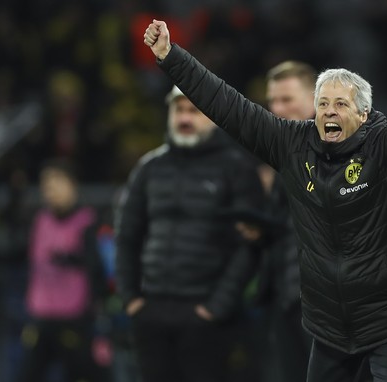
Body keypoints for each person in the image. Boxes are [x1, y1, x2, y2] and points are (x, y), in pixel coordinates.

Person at [144, 19, 387, 382]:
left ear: (363, 114)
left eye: (340, 104)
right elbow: (227, 105)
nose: (329, 111)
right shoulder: (291, 145)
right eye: (322, 103)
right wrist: (169, 55)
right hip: (329, 326)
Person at [114, 85, 265, 382]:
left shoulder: (236, 169)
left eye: (194, 111)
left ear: (212, 116)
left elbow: (249, 245)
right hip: (152, 309)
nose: (185, 118)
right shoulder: (149, 168)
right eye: (179, 110)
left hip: (206, 315)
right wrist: (131, 298)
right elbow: (127, 236)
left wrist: (216, 307)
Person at [17, 159, 110, 382]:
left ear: (72, 185)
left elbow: (99, 267)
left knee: (81, 374)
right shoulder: (39, 220)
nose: (52, 191)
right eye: (47, 185)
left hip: (74, 317)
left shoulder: (89, 221)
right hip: (40, 316)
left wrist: (72, 259)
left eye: (58, 183)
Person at [253, 60, 316, 382]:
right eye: (272, 101)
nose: (277, 109)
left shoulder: (342, 149)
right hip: (285, 294)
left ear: (314, 97)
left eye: (287, 100)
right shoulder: (282, 154)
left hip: (325, 299)